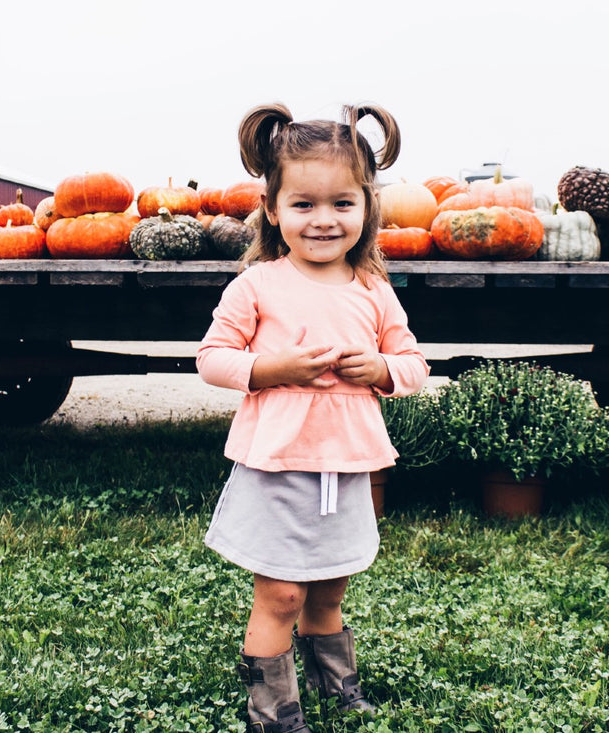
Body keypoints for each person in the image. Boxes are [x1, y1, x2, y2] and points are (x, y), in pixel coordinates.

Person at [196, 102, 430, 732]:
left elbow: (414, 365)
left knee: (330, 588)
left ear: (367, 208)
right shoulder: (257, 285)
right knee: (282, 593)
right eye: (303, 205)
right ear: (273, 209)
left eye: (341, 204)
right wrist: (273, 370)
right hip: (279, 464)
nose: (323, 220)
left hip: (347, 465)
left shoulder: (373, 288)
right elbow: (213, 359)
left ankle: (337, 683)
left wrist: (381, 369)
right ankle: (272, 711)